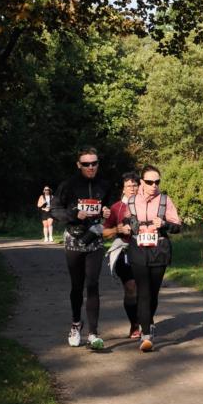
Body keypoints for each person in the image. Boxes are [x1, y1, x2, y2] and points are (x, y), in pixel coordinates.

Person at [52, 146, 112, 350]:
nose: (91, 167)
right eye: (86, 164)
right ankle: (76, 324)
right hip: (74, 239)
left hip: (95, 238)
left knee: (93, 284)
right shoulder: (68, 185)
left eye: (94, 163)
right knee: (77, 286)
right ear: (79, 165)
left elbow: (110, 209)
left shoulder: (104, 185)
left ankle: (93, 333)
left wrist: (106, 212)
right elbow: (54, 210)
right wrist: (73, 215)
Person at [121, 165, 181, 352]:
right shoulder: (131, 201)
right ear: (141, 183)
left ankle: (148, 321)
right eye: (149, 182)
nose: (154, 185)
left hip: (159, 249)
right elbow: (125, 220)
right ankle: (146, 335)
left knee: (153, 293)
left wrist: (163, 223)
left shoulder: (165, 200)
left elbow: (177, 226)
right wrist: (127, 226)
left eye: (157, 182)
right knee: (143, 292)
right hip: (138, 249)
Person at [102, 171, 141, 339]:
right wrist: (117, 229)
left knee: (145, 290)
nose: (132, 188)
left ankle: (145, 321)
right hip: (124, 250)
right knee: (131, 288)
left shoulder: (148, 205)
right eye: (128, 186)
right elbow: (103, 232)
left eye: (135, 185)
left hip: (146, 251)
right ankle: (134, 324)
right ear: (123, 189)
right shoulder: (116, 208)